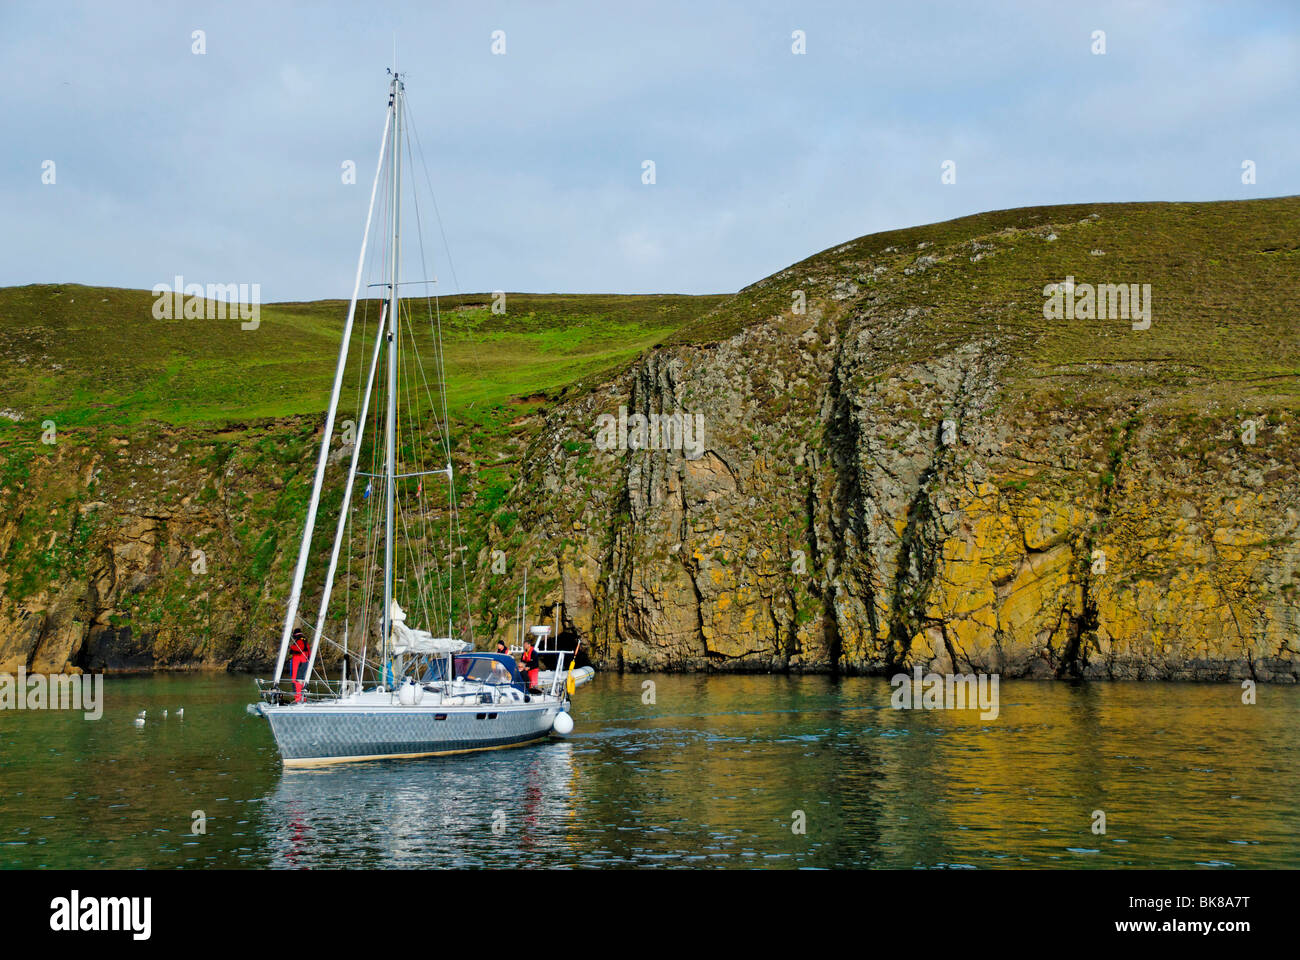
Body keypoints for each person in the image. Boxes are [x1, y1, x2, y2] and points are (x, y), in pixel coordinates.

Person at [289, 628, 310, 703]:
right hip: (304, 662)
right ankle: (302, 698)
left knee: (296, 680)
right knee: (301, 680)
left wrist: (291, 647)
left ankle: (298, 699)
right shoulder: (305, 641)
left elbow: (299, 648)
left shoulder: (299, 641)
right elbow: (308, 652)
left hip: (298, 662)